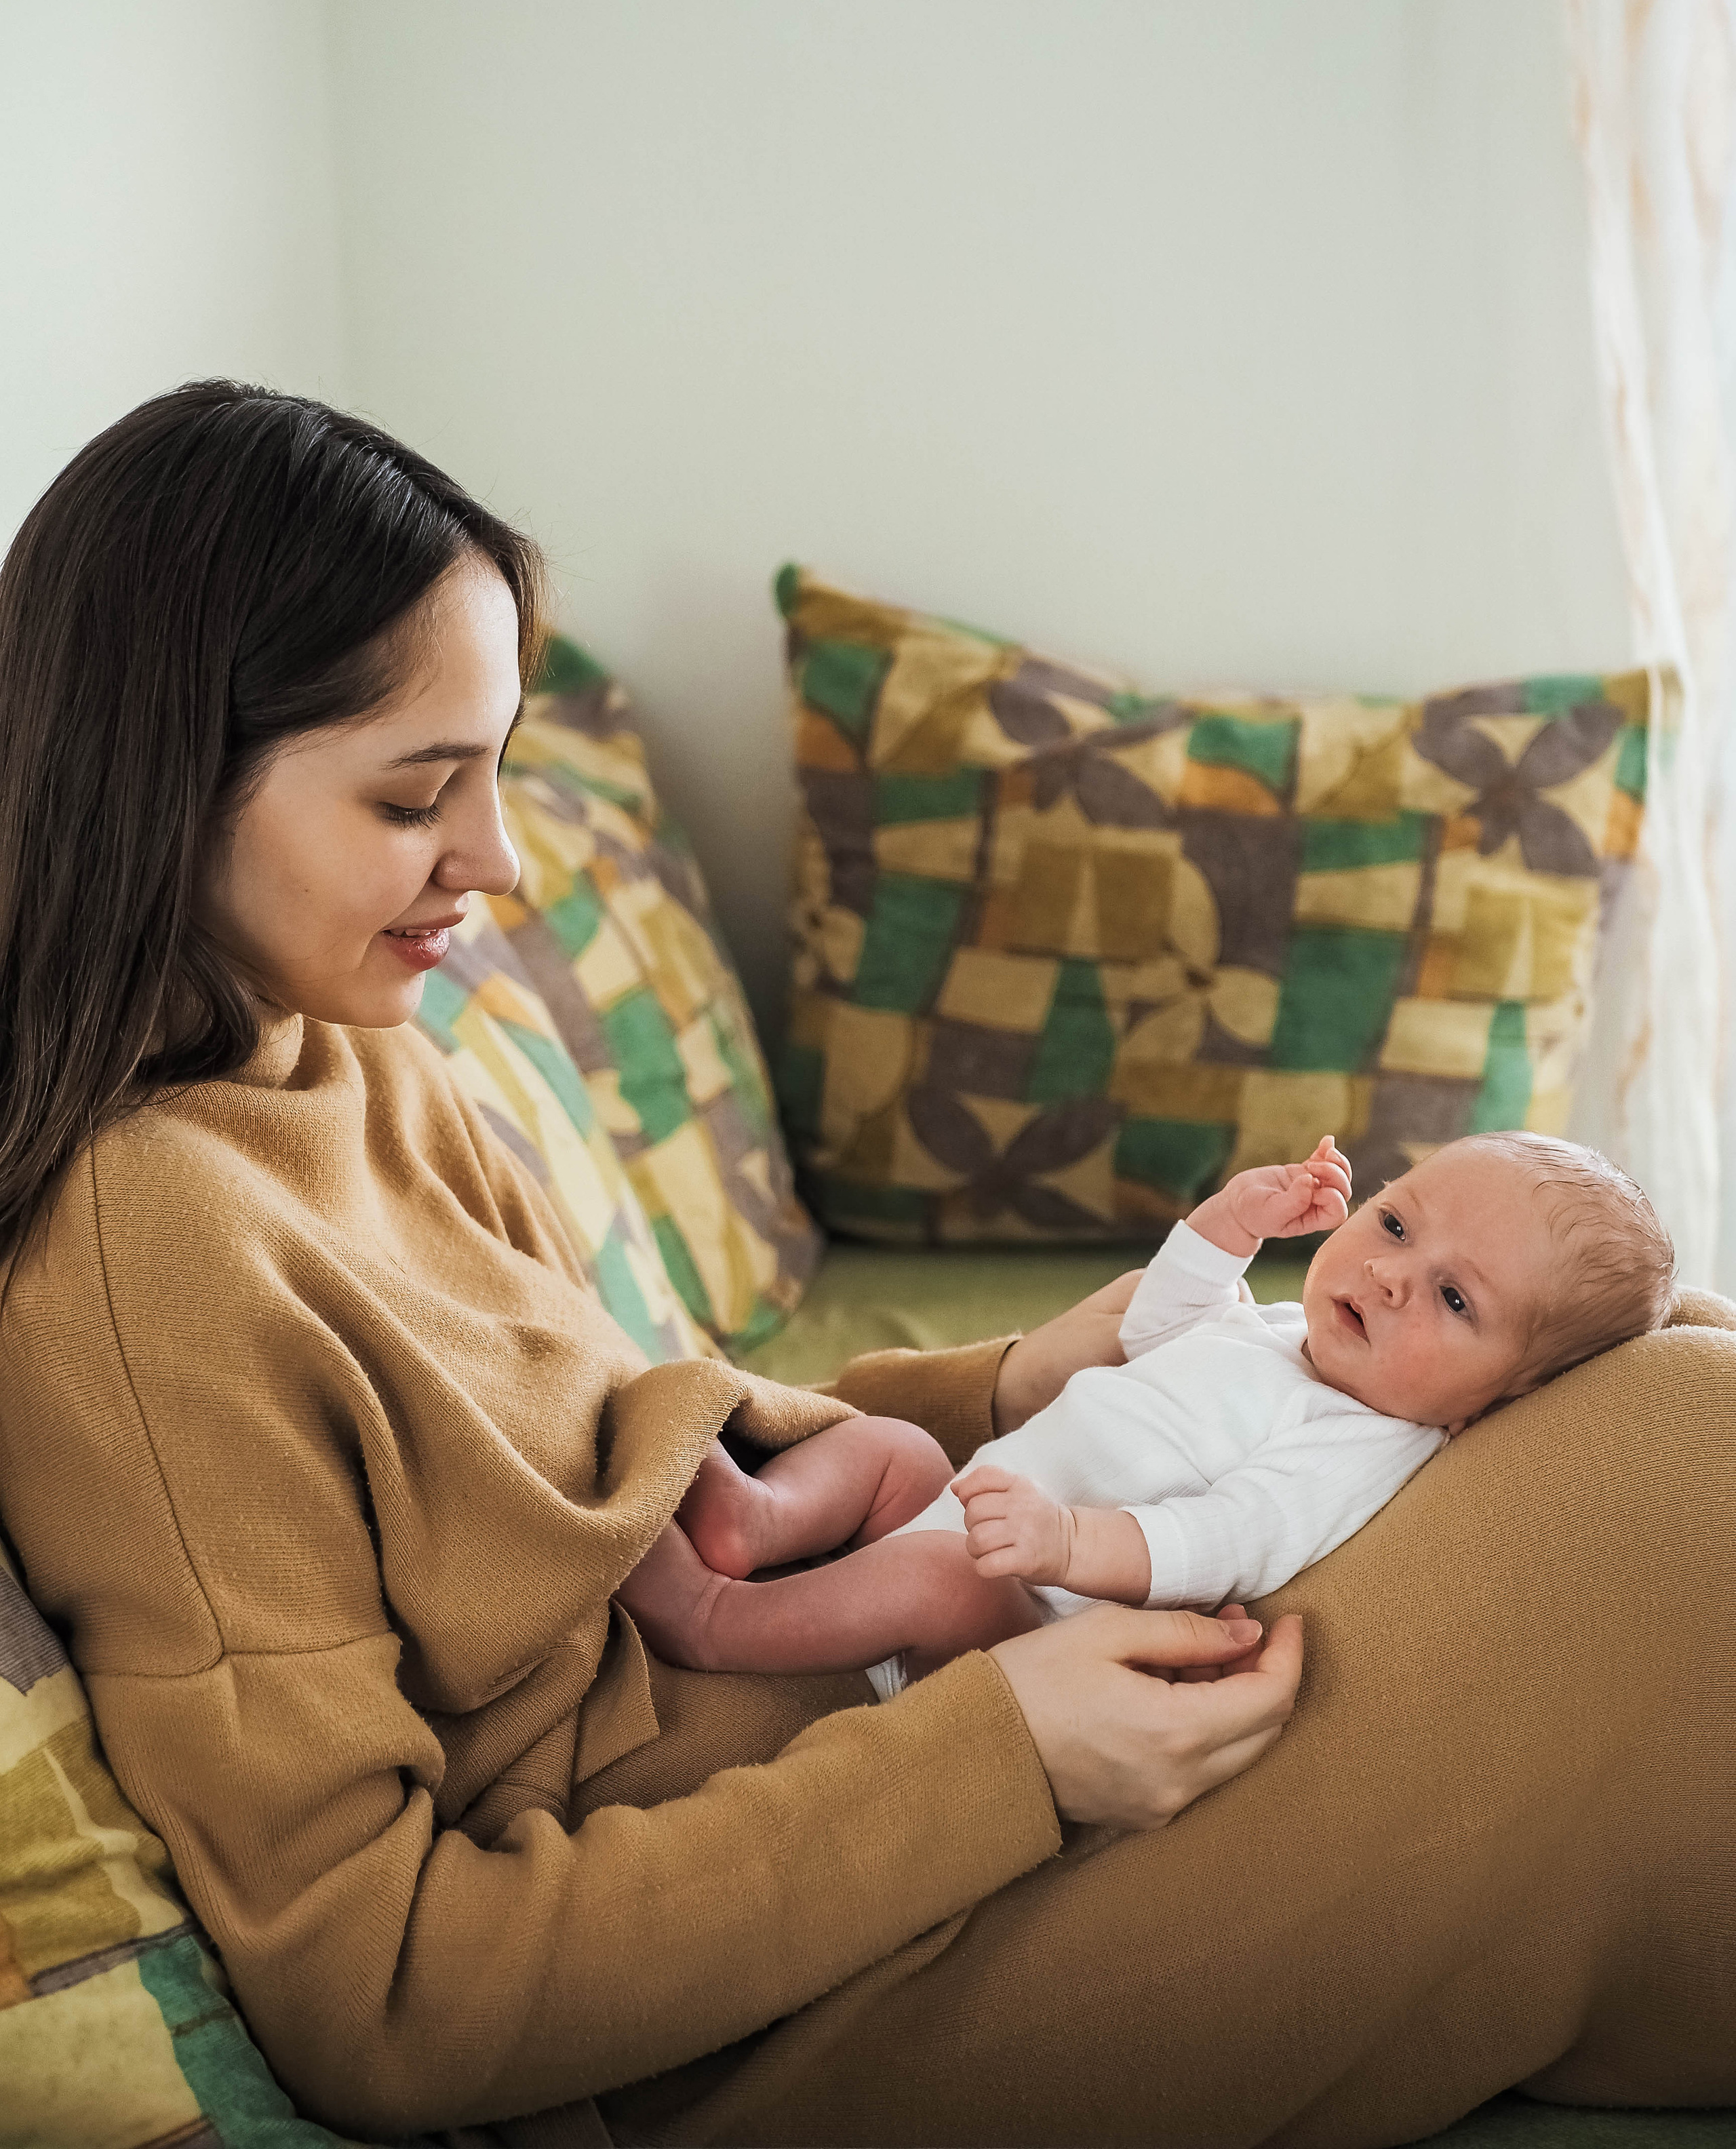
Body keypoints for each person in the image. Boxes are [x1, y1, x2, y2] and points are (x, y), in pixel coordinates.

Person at [0, 383, 1729, 2148]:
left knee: (1661, 1358)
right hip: (776, 1964)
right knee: (1678, 1489)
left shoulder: (352, 1048)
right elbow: (391, 1999)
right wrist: (1007, 1757)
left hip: (914, 1660)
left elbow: (629, 1440)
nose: (500, 860)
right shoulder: (141, 1264)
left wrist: (1003, 1387)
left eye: (500, 767)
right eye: (413, 792)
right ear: (163, 774)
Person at [619, 1130, 1676, 1692]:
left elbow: (1222, 1541)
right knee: (893, 1447)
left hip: (1024, 1625)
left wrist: (1066, 1540)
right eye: (1396, 1222)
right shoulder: (1287, 1336)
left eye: (1455, 1298)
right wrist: (1230, 1227)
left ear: (1503, 1396)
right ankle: (757, 1521)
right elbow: (1161, 1325)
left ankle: (719, 1622)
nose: (1395, 1275)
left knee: (932, 1570)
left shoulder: (1364, 1441)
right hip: (973, 1517)